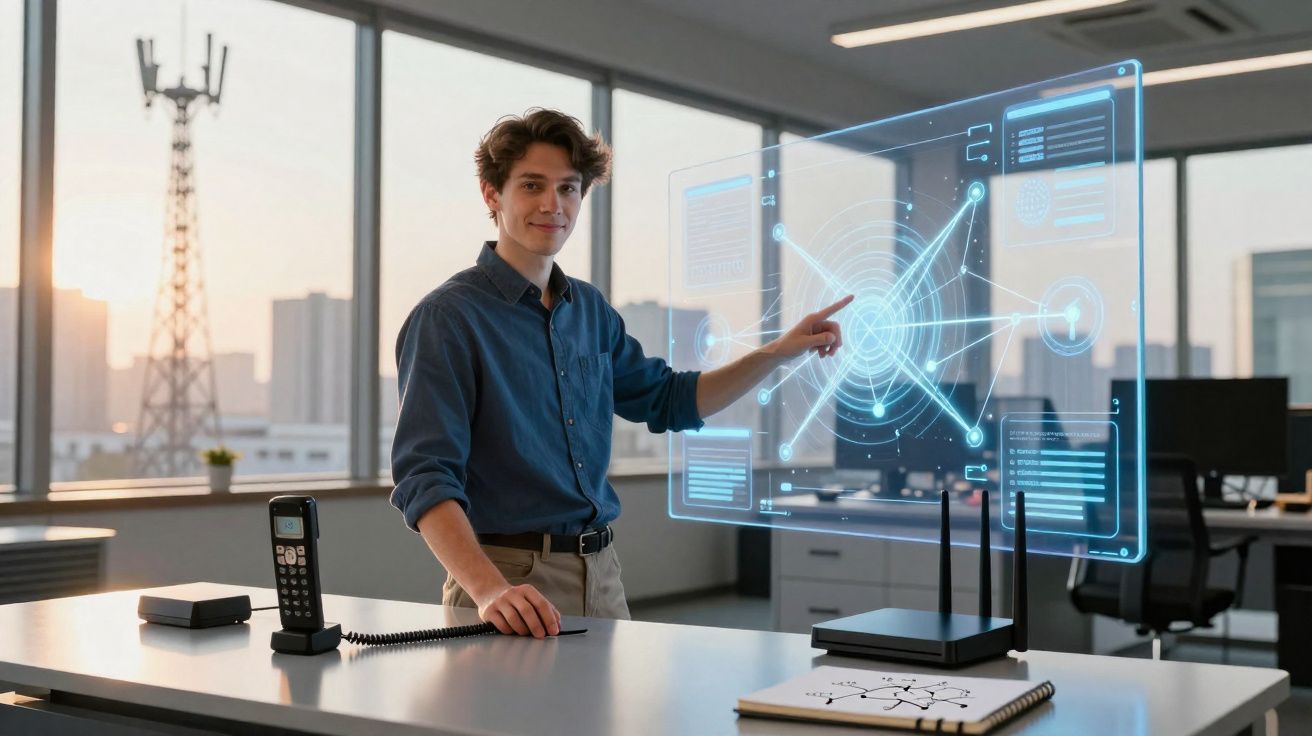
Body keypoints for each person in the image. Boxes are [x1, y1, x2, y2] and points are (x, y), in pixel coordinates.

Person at [390, 108, 852, 638]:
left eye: (568, 188)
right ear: (492, 194)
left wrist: (777, 352)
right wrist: (489, 587)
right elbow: (424, 476)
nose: (552, 205)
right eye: (532, 185)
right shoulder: (448, 318)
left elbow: (672, 400)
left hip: (601, 573)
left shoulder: (588, 309)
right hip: (506, 584)